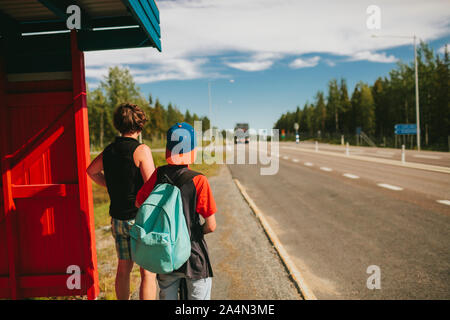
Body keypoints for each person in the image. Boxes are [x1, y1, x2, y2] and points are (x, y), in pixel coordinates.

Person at [135, 122, 217, 300]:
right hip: (193, 257)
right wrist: (194, 232)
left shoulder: (158, 175)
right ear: (192, 150)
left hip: (166, 255)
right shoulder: (199, 181)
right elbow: (211, 226)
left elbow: (139, 203)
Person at [87, 103, 156, 300]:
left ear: (118, 124)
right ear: (140, 125)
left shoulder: (109, 150)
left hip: (117, 219)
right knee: (147, 272)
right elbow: (151, 187)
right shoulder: (141, 150)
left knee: (123, 270)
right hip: (139, 219)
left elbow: (90, 171)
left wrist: (110, 185)